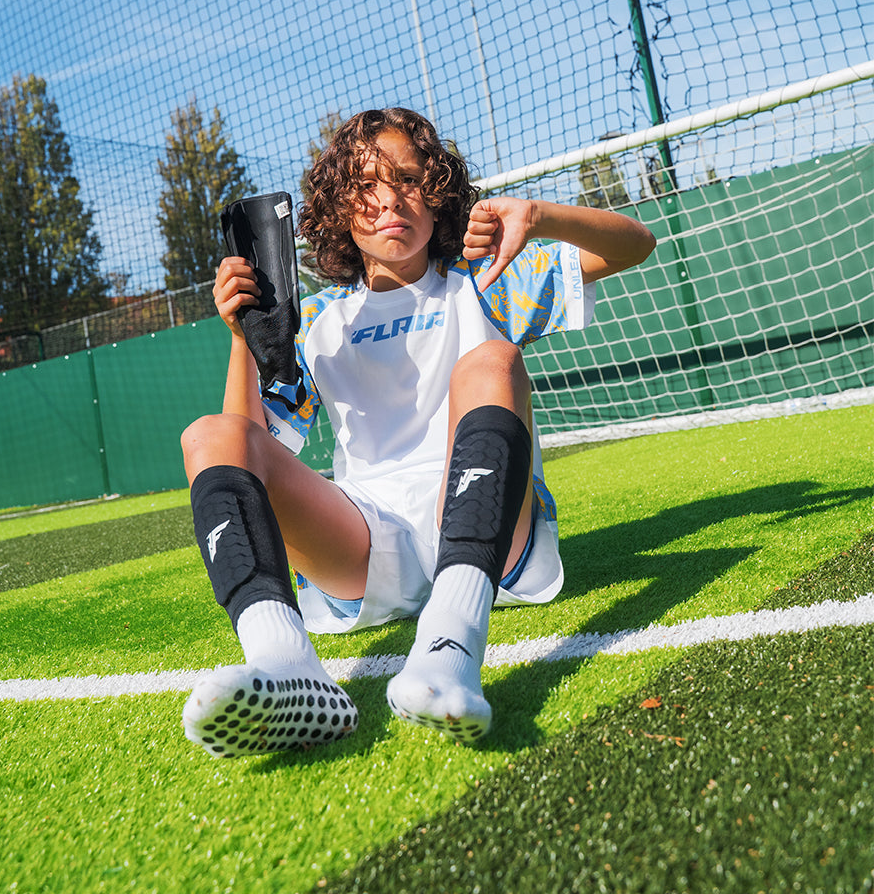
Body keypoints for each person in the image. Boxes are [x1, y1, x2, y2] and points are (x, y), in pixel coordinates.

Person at [180, 107, 656, 758]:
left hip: (487, 532)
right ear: (341, 209)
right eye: (366, 184)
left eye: (409, 178)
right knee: (207, 437)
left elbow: (635, 245)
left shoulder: (484, 283)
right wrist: (242, 336)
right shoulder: (318, 321)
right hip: (364, 547)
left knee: (491, 361)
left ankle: (451, 642)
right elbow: (246, 446)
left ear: (439, 197)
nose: (390, 199)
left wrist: (540, 216)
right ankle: (285, 665)